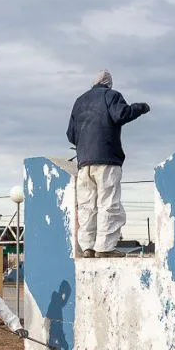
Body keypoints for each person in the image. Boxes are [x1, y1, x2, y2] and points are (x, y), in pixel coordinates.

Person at [66, 69, 151, 258]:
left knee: (87, 205)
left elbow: (71, 135)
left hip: (84, 162)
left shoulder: (79, 101)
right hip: (106, 159)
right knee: (109, 202)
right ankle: (104, 248)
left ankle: (87, 247)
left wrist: (85, 143)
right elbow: (121, 114)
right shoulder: (111, 95)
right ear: (108, 83)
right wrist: (141, 107)